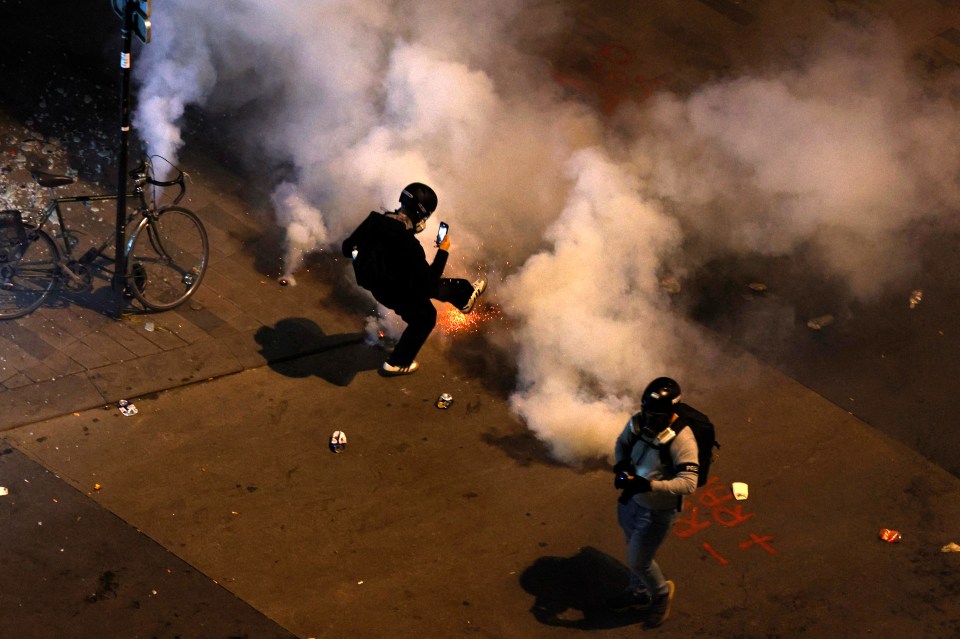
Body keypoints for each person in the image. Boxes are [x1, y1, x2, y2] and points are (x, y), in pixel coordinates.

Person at [341, 182, 487, 376]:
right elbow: (429, 283)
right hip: (397, 292)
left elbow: (346, 249)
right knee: (426, 317)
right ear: (420, 215)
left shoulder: (374, 221)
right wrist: (443, 252)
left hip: (379, 287)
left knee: (424, 295)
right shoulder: (408, 244)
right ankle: (398, 363)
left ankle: (464, 296)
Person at [608, 376, 699, 628]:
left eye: (657, 416)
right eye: (647, 413)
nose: (650, 421)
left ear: (670, 413)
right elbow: (621, 443)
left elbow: (689, 483)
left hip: (657, 512)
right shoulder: (639, 422)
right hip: (630, 502)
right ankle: (638, 592)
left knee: (639, 560)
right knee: (632, 549)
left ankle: (660, 594)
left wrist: (650, 485)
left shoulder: (683, 440)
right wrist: (621, 465)